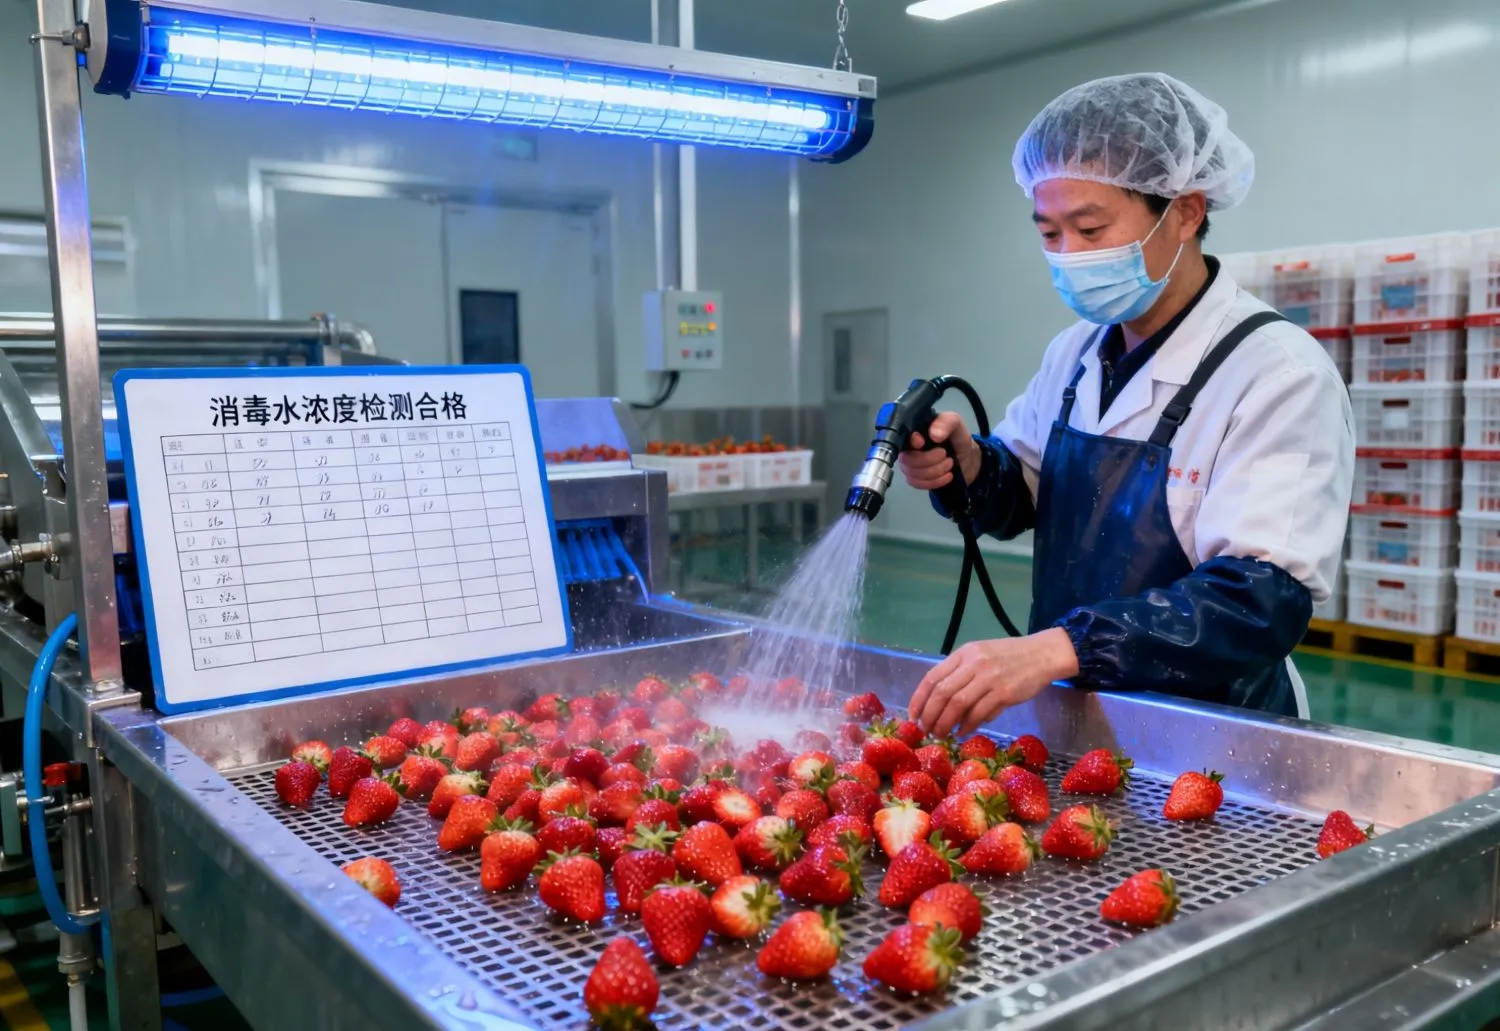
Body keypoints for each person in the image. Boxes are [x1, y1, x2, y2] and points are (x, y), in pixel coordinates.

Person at [902, 73, 1353, 736]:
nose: (1069, 257)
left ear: (1187, 212)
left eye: (1090, 228)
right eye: (1049, 233)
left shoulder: (1277, 372)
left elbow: (1259, 603)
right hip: (1079, 712)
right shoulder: (1076, 351)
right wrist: (970, 466)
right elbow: (1027, 492)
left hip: (1219, 734)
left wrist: (1059, 648)